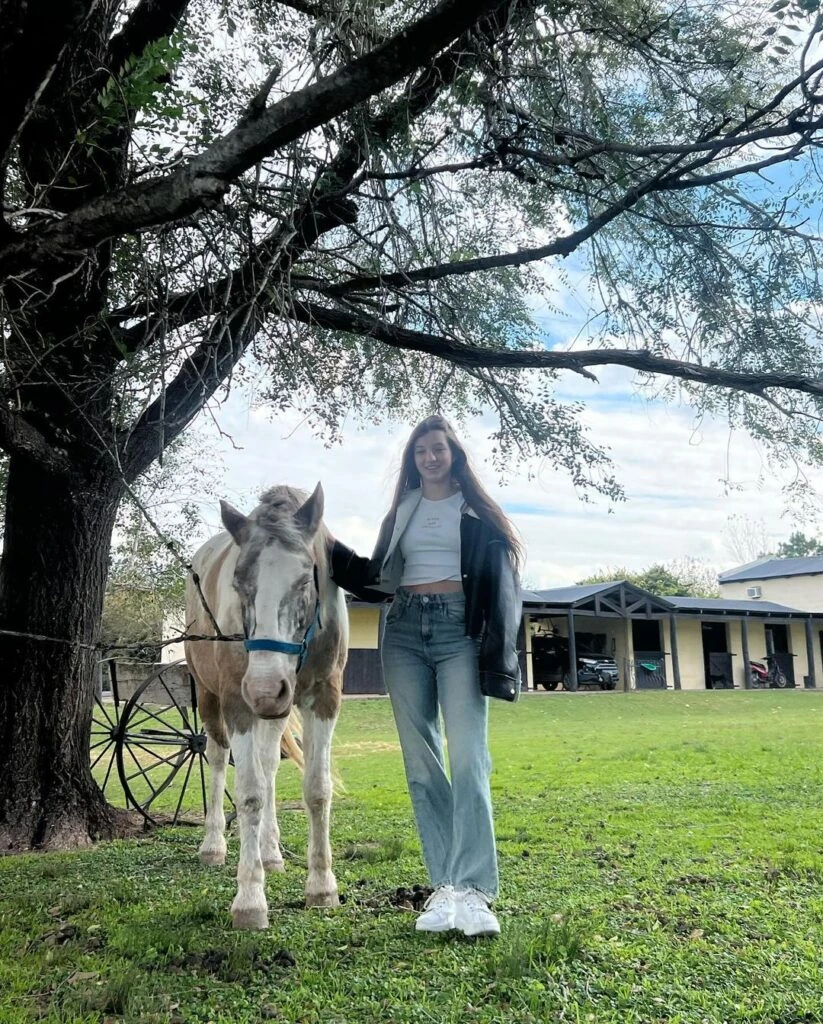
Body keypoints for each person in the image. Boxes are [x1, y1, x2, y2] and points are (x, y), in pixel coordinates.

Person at [328, 414, 523, 937]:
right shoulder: (404, 511)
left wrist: (501, 659)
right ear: (413, 461)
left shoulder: (477, 513)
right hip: (405, 631)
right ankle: (444, 888)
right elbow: (375, 579)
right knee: (420, 765)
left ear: (454, 454)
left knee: (468, 758)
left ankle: (476, 891)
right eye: (421, 452)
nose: (430, 457)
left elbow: (505, 591)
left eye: (438, 449)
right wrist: (325, 544)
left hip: (460, 631)